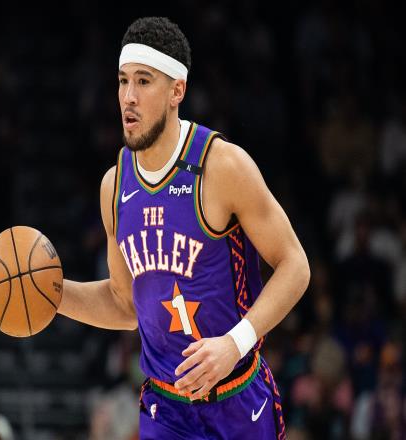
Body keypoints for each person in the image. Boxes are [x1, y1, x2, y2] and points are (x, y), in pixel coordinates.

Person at [58, 17, 310, 439]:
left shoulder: (222, 166)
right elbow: (125, 305)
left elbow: (296, 266)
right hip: (167, 410)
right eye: (123, 81)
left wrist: (234, 343)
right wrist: (52, 295)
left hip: (238, 398)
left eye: (143, 81)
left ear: (177, 91)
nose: (128, 97)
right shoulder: (114, 186)